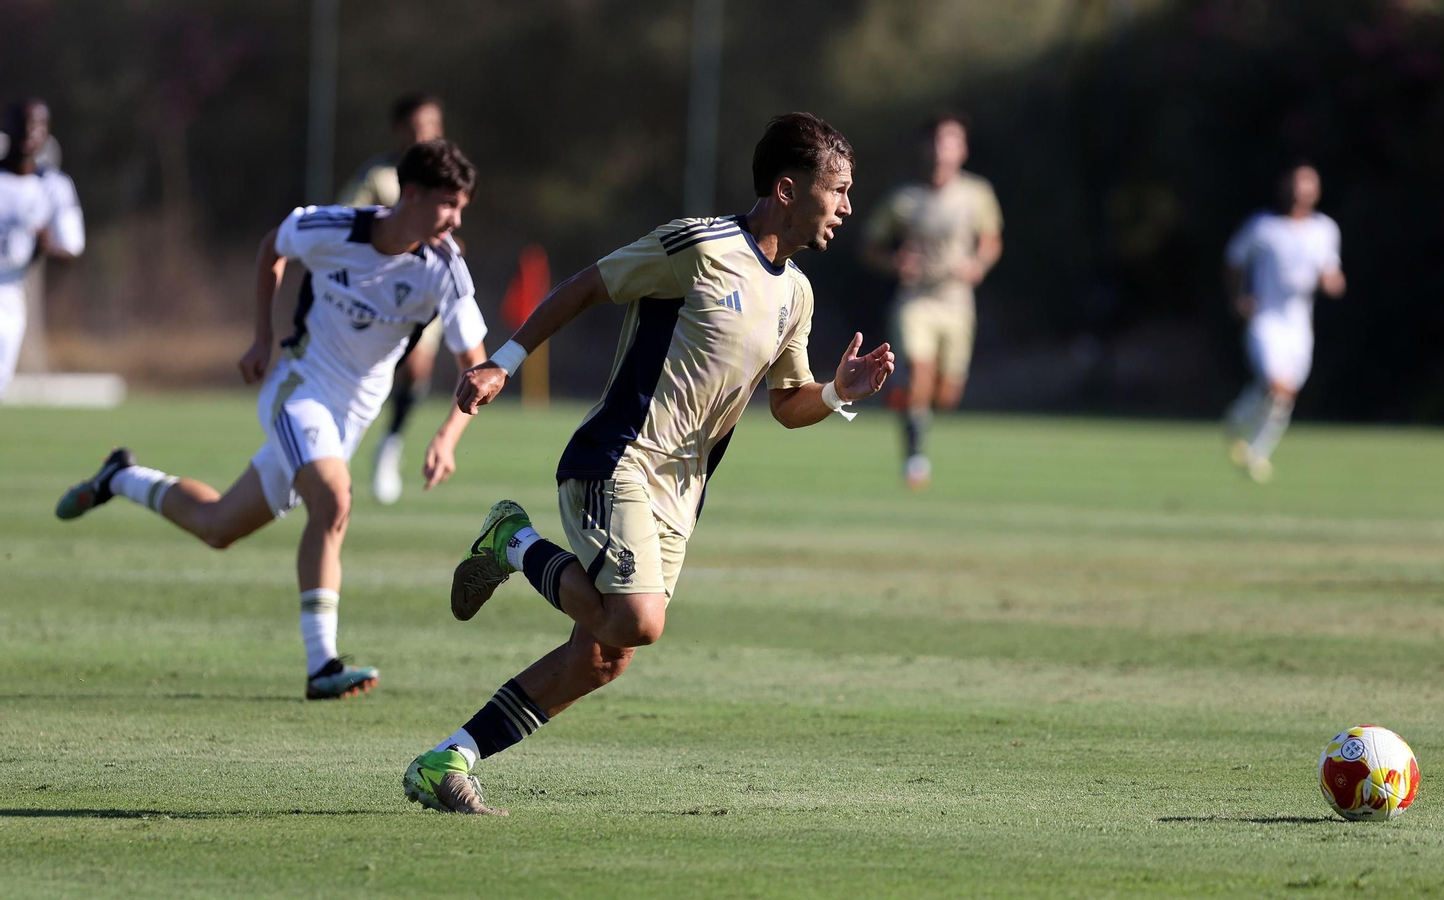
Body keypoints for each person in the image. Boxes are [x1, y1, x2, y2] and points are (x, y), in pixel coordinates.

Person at [400, 113, 895, 816]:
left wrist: (840, 392)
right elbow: (585, 285)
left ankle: (448, 759)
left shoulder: (797, 293)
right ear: (788, 188)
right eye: (838, 190)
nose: (847, 206)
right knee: (638, 621)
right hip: (615, 462)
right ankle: (511, 539)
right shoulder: (699, 244)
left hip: (679, 495)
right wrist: (502, 364)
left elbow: (788, 403)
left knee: (603, 656)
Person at [54, 140, 490, 699]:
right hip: (297, 388)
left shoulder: (445, 269)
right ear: (410, 194)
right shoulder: (333, 228)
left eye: (462, 209)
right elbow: (272, 249)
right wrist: (262, 336)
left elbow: (476, 368)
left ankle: (118, 476)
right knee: (333, 498)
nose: (455, 221)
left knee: (218, 526)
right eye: (448, 205)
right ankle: (322, 665)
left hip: (348, 420)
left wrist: (448, 436)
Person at [860, 112, 1002, 491]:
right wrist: (894, 262)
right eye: (938, 140)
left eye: (952, 140)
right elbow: (870, 246)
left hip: (956, 303)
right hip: (916, 300)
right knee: (918, 373)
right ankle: (915, 458)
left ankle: (903, 402)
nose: (943, 149)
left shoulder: (977, 194)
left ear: (963, 148)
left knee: (947, 395)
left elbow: (991, 241)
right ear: (926, 147)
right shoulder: (904, 199)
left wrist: (978, 264)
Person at [337, 93, 448, 505]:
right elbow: (347, 216)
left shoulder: (446, 175)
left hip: (424, 292)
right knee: (367, 376)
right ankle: (339, 449)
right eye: (416, 127)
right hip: (376, 296)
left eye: (432, 127)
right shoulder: (378, 174)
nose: (424, 136)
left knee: (418, 369)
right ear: (399, 131)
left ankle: (391, 445)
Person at [1222, 162, 1345, 483]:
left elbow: (1331, 270)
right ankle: (1250, 446)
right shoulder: (1263, 227)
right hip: (1266, 320)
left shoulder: (1325, 230)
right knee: (1277, 385)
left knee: (1284, 395)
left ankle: (1243, 430)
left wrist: (1333, 281)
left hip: (1299, 325)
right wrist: (1238, 297)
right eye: (1296, 184)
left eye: (1308, 185)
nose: (1300, 192)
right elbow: (1234, 259)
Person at [0, 99, 84, 397]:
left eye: (37, 124)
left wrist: (46, 246)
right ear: (6, 127)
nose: (28, 131)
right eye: (22, 122)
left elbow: (71, 250)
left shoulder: (53, 186)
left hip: (10, 296)